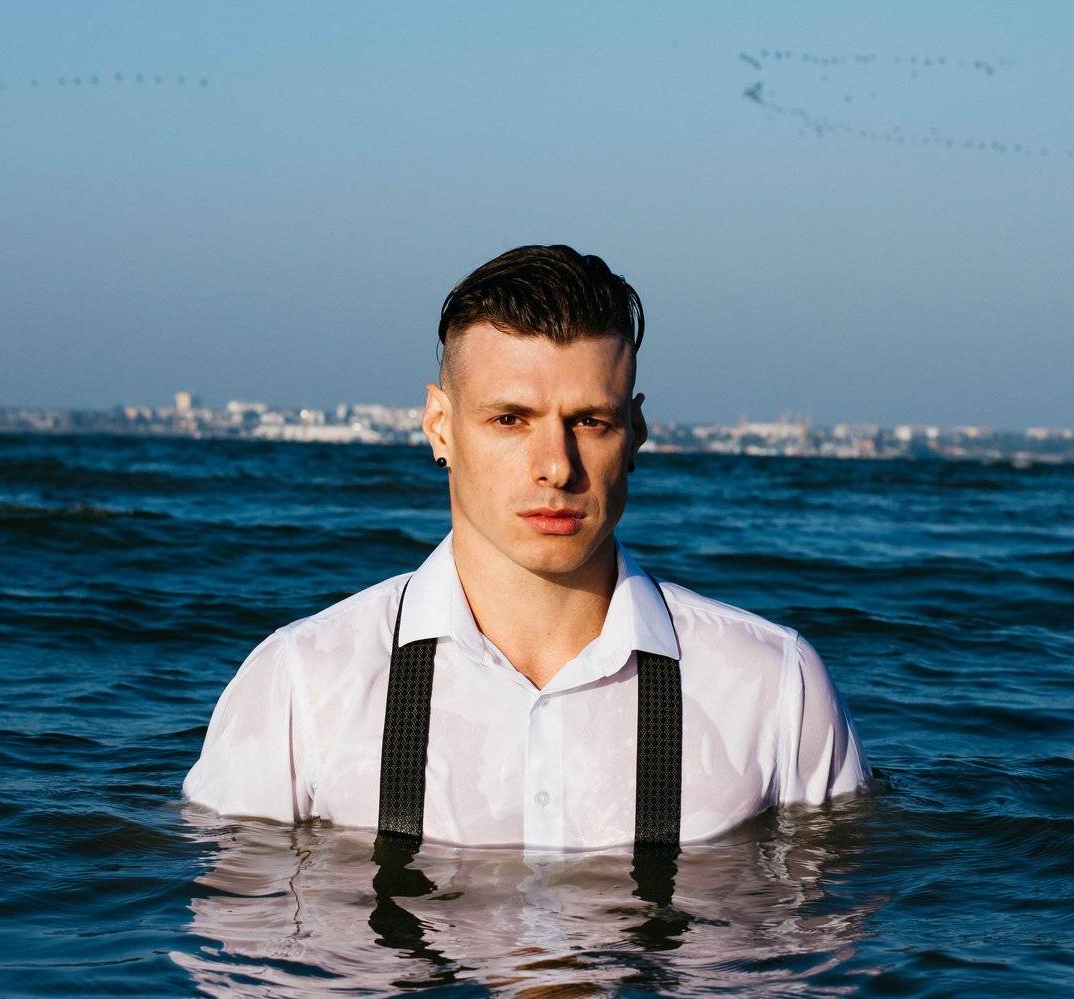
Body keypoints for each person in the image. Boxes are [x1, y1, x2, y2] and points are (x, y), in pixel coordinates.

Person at [183, 244, 869, 850]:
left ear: (634, 433)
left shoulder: (774, 687)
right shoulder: (300, 686)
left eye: (590, 421)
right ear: (440, 426)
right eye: (510, 419)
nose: (557, 466)